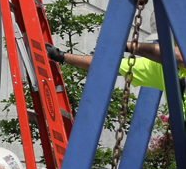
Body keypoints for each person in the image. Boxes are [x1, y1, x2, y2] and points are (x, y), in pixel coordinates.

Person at [47, 40, 186, 116]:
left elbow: (180, 57)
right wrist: (62, 56)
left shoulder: (175, 60)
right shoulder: (158, 67)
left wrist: (128, 45)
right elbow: (107, 66)